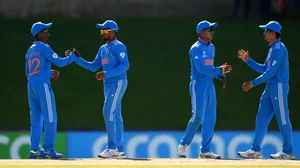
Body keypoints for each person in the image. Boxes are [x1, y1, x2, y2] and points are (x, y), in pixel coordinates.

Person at [237, 21, 295, 160]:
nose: (264, 33)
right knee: (261, 118)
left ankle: (288, 151)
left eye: (266, 31)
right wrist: (248, 60)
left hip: (279, 87)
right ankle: (255, 150)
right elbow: (265, 69)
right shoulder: (273, 49)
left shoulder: (279, 49)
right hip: (271, 87)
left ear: (273, 33)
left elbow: (270, 73)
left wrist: (252, 83)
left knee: (282, 118)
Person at [177, 20, 232, 159]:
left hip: (209, 85)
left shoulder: (212, 48)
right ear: (201, 32)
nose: (212, 32)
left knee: (210, 118)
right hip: (198, 85)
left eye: (212, 29)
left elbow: (209, 68)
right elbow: (201, 69)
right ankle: (183, 145)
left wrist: (221, 75)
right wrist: (220, 70)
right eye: (209, 29)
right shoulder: (195, 48)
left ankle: (205, 151)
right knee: (197, 116)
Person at [74, 20, 129, 158]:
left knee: (107, 111)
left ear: (113, 31)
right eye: (101, 31)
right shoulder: (102, 49)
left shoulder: (119, 46)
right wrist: (77, 59)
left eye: (105, 31)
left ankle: (112, 148)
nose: (102, 33)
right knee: (115, 114)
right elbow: (93, 66)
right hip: (108, 84)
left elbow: (125, 65)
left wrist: (107, 74)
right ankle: (120, 150)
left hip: (118, 82)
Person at [26, 22, 80, 159]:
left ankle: (34, 150)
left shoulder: (30, 50)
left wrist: (48, 73)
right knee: (50, 117)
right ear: (39, 34)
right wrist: (73, 56)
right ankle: (48, 149)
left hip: (31, 85)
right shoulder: (44, 47)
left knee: (36, 119)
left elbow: (30, 72)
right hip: (42, 86)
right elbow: (61, 62)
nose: (47, 34)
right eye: (45, 31)